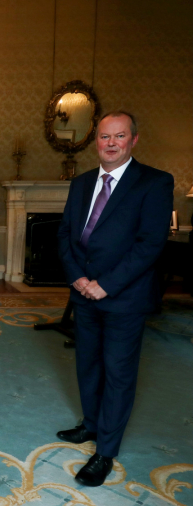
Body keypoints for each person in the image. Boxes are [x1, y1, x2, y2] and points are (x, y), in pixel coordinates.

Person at [57, 111, 174, 486]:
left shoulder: (154, 183)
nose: (110, 143)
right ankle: (90, 425)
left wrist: (105, 284)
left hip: (123, 297)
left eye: (118, 136)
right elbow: (65, 235)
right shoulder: (81, 183)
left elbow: (151, 244)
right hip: (84, 294)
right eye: (104, 137)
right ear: (97, 141)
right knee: (88, 365)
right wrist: (77, 277)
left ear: (133, 140)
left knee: (118, 374)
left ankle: (105, 451)